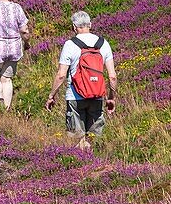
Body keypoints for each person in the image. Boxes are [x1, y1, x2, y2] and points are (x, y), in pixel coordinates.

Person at [44, 11, 117, 149]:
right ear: (90, 24)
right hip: (97, 96)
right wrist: (111, 98)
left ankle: (79, 165)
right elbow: (112, 76)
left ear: (74, 27)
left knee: (76, 139)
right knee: (95, 139)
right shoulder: (103, 43)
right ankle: (94, 163)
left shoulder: (70, 44)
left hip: (75, 96)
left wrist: (51, 96)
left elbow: (61, 75)